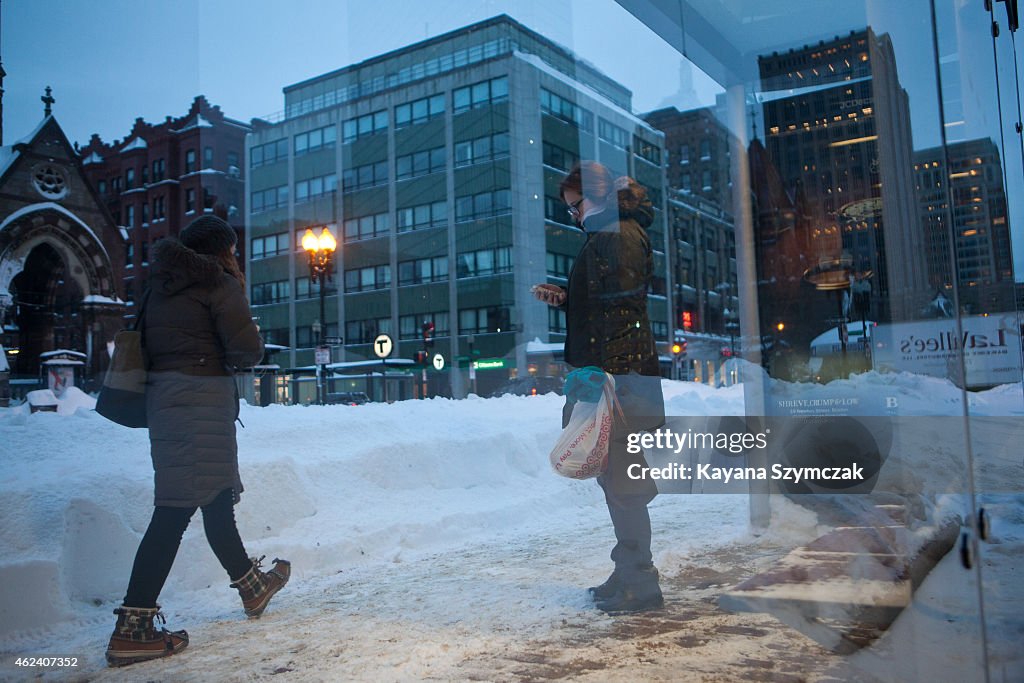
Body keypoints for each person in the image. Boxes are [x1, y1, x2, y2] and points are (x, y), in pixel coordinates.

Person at [106, 215, 291, 667]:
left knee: (214, 499)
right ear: (221, 250)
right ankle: (132, 630)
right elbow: (247, 351)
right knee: (173, 512)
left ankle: (252, 587)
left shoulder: (157, 289)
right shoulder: (219, 284)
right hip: (201, 401)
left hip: (166, 403)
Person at [534, 161, 666, 613]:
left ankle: (641, 581)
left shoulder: (618, 234)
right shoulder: (607, 234)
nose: (573, 214)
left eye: (576, 205)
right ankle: (629, 570)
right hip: (614, 379)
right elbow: (609, 301)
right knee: (615, 479)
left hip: (617, 382)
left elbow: (624, 310)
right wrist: (569, 297)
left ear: (598, 196)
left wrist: (606, 379)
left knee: (624, 481)